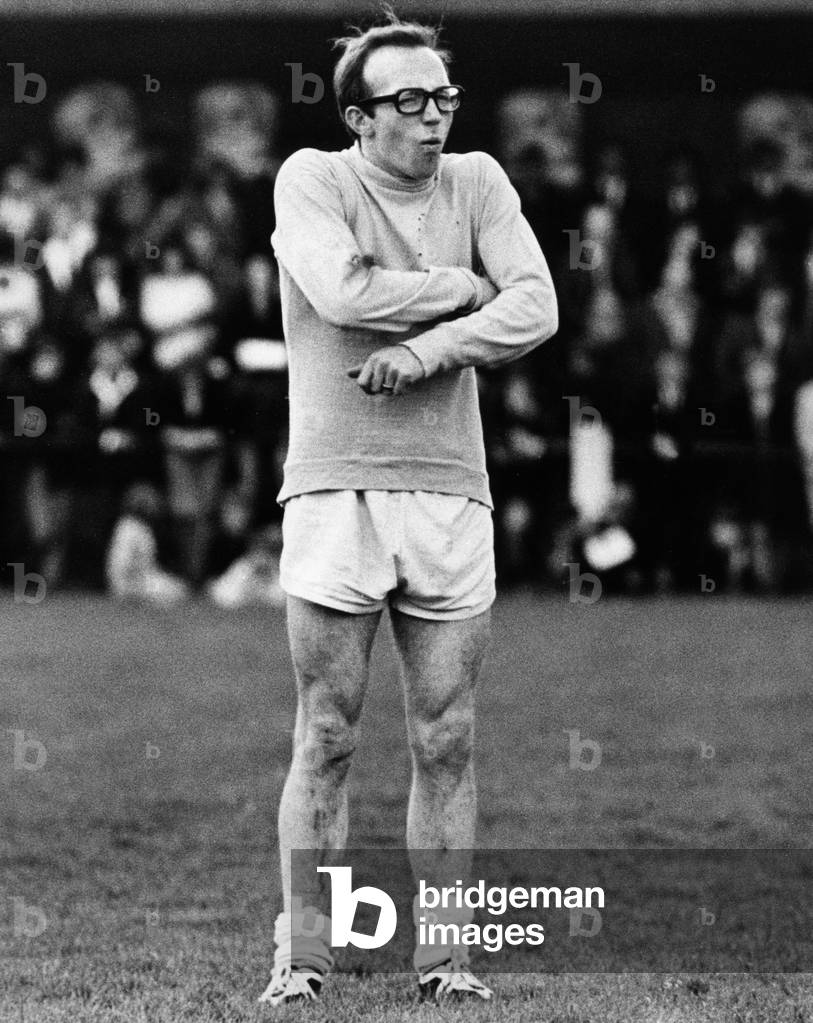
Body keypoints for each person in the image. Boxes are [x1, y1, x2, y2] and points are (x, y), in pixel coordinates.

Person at [259, 11, 557, 1007]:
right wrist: (463, 287)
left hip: (448, 489)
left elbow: (537, 305)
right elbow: (343, 294)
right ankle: (302, 957)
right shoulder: (312, 178)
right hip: (334, 485)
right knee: (327, 735)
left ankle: (446, 961)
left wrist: (429, 348)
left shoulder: (479, 181)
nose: (436, 117)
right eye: (412, 101)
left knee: (447, 737)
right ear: (359, 115)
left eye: (445, 98)